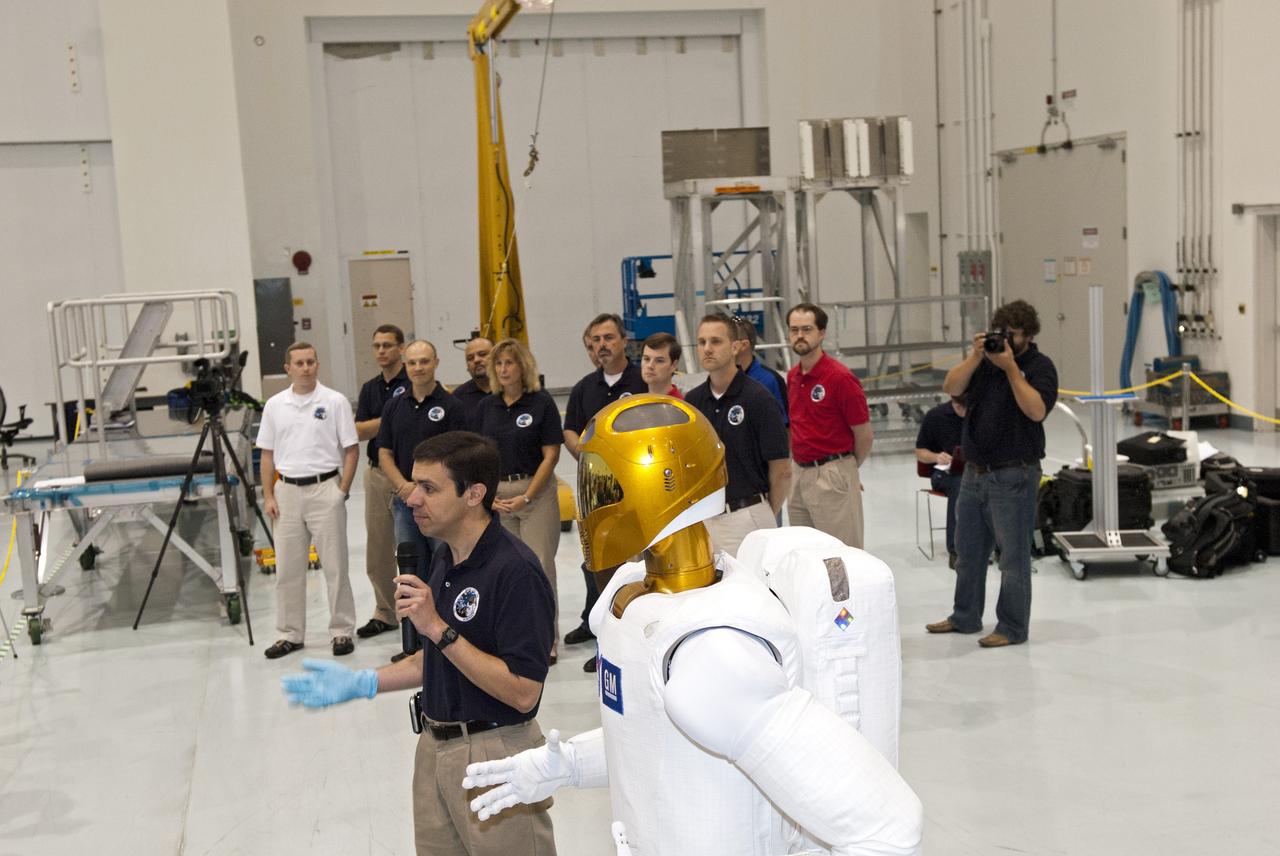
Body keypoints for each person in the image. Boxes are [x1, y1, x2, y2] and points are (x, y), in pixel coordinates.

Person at [457, 395, 923, 856]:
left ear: (653, 489)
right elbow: (659, 738)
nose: (592, 505)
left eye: (606, 487)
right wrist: (568, 765)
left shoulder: (711, 653)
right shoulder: (642, 602)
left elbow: (886, 826)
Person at [280, 432, 557, 856]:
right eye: (413, 485)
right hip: (434, 750)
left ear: (474, 494)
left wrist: (438, 628)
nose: (412, 499)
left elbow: (523, 692)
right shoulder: (446, 556)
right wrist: (363, 682)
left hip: (494, 756)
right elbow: (434, 658)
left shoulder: (515, 572)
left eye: (429, 488)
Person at [927, 300, 1057, 648]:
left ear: (1028, 336)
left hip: (1014, 475)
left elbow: (1036, 411)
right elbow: (952, 388)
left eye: (1011, 335)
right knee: (967, 553)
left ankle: (1012, 627)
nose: (1004, 342)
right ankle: (965, 616)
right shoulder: (983, 364)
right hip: (974, 473)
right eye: (1000, 334)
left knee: (1012, 560)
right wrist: (975, 356)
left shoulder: (1040, 367)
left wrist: (1012, 369)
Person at [257, 342, 360, 659]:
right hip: (286, 492)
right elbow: (267, 454)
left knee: (335, 566)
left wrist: (341, 491)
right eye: (299, 363)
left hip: (324, 488)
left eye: (310, 362)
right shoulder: (275, 405)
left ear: (317, 365)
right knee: (287, 570)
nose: (305, 368)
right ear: (287, 368)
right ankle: (289, 634)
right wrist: (269, 494)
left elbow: (351, 449)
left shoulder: (335, 401)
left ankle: (341, 631)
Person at [562, 313, 647, 671]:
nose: (602, 345)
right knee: (598, 561)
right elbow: (570, 431)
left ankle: (638, 637)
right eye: (595, 340)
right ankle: (602, 634)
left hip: (638, 487)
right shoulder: (584, 388)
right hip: (597, 489)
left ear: (624, 341)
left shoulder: (642, 380)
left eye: (608, 337)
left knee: (637, 560)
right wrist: (589, 455)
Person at [476, 339, 562, 662]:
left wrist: (528, 496)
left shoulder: (541, 404)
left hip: (535, 494)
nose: (503, 369)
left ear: (523, 366)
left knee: (539, 568)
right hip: (498, 496)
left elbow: (551, 455)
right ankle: (512, 640)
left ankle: (546, 641)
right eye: (498, 364)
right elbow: (478, 454)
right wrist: (489, 496)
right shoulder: (487, 407)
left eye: (509, 363)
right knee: (506, 572)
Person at [684, 315, 790, 556]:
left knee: (755, 592)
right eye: (701, 342)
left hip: (746, 517)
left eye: (716, 341)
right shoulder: (693, 402)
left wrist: (763, 511)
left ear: (735, 347)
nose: (707, 349)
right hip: (704, 520)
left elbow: (782, 468)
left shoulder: (758, 398)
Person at [785, 302, 873, 548]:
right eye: (794, 330)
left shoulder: (839, 378)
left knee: (842, 555)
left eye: (807, 329)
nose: (800, 335)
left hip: (832, 471)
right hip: (799, 474)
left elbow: (864, 434)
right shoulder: (793, 377)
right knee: (806, 554)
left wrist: (847, 470)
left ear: (821, 333)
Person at [378, 340, 467, 582]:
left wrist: (430, 489)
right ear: (405, 366)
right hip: (405, 502)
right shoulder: (393, 407)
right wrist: (404, 487)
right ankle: (414, 621)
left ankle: (445, 619)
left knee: (445, 563)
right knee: (411, 568)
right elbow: (384, 453)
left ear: (436, 363)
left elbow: (459, 456)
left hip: (441, 502)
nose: (418, 367)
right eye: (412, 362)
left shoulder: (452, 407)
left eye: (424, 361)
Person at [354, 324, 410, 639]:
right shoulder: (369, 389)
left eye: (387, 345)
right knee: (377, 549)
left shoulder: (412, 382)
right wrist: (392, 414)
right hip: (377, 475)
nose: (381, 351)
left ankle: (419, 612)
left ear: (401, 348)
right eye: (376, 346)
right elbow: (359, 432)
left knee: (413, 548)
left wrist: (380, 422)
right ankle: (385, 612)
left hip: (408, 477)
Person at [914, 395, 967, 569]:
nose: (963, 412)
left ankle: (996, 546)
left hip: (972, 470)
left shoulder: (977, 413)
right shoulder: (935, 416)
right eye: (960, 407)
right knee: (960, 485)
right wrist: (936, 457)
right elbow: (920, 451)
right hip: (942, 474)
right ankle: (956, 550)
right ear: (954, 402)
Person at [732, 316, 788, 422]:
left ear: (744, 345)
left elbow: (783, 426)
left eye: (727, 340)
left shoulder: (769, 381)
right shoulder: (721, 381)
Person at [451, 336, 494, 429]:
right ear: (467, 366)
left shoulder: (509, 390)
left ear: (496, 358)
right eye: (470, 358)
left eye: (482, 354)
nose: (476, 360)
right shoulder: (458, 398)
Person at [640, 331, 682, 398]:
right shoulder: (637, 402)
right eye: (646, 359)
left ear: (674, 365)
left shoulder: (680, 406)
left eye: (659, 361)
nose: (650, 366)